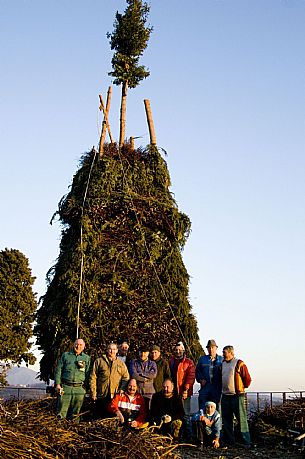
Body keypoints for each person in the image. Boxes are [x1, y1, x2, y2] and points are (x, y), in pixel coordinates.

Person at [221, 345, 252, 446]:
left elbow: (247, 380)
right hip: (225, 395)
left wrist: (241, 388)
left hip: (237, 396)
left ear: (231, 353)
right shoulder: (223, 364)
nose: (223, 354)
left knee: (241, 419)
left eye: (224, 352)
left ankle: (246, 441)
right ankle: (230, 440)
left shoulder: (239, 363)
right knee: (226, 419)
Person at [90, 342, 129, 418]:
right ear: (107, 350)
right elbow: (93, 377)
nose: (112, 351)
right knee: (99, 416)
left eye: (114, 349)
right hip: (101, 394)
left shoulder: (121, 364)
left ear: (117, 350)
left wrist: (122, 389)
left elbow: (126, 377)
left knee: (112, 416)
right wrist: (93, 392)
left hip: (114, 395)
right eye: (110, 349)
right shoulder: (99, 361)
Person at [54, 338, 91, 421]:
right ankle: (60, 429)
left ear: (84, 347)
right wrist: (58, 384)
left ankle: (73, 430)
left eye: (81, 345)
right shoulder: (65, 355)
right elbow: (58, 370)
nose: (78, 346)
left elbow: (88, 374)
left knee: (76, 413)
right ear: (73, 345)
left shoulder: (87, 358)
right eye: (76, 344)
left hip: (79, 389)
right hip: (65, 387)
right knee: (61, 412)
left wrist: (86, 388)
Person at [169, 341, 195, 441]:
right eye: (176, 350)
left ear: (183, 350)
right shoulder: (171, 361)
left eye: (180, 350)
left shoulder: (188, 362)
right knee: (175, 414)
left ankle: (189, 437)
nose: (178, 351)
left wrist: (186, 389)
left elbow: (191, 377)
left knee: (186, 415)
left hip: (184, 393)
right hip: (174, 393)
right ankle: (176, 436)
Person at [195, 339, 222, 411]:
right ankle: (203, 421)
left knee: (217, 408)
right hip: (205, 387)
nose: (211, 349)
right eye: (209, 347)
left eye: (212, 347)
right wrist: (200, 379)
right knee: (202, 407)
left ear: (216, 348)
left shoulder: (221, 359)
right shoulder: (202, 359)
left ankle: (217, 422)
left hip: (217, 388)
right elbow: (197, 371)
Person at [130, 345, 157, 411]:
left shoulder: (152, 364)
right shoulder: (133, 362)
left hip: (149, 392)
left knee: (149, 411)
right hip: (137, 392)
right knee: (136, 411)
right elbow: (134, 375)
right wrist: (144, 379)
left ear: (148, 353)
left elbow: (153, 375)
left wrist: (141, 374)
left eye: (145, 352)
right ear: (139, 353)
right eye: (141, 352)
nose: (143, 354)